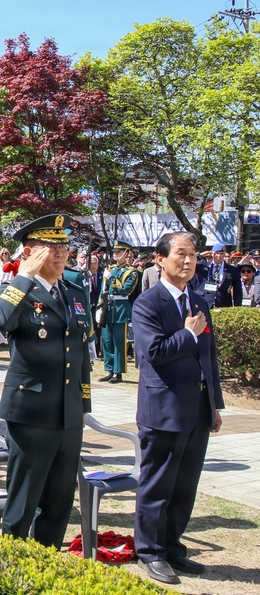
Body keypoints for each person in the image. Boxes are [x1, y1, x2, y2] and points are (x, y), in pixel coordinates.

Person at [0, 214, 91, 549]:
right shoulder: (17, 289)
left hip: (68, 412)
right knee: (24, 500)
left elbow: (80, 353)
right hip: (31, 410)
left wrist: (83, 403)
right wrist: (23, 276)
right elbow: (0, 320)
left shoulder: (76, 292)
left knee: (60, 499)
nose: (59, 253)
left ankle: (46, 559)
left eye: (63, 245)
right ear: (30, 251)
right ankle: (14, 560)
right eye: (49, 247)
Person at [130, 231, 224, 584]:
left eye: (193, 255)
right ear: (160, 259)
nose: (188, 261)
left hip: (197, 408)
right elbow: (152, 354)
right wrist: (186, 333)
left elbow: (208, 358)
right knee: (158, 483)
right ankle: (150, 551)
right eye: (180, 254)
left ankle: (172, 546)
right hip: (164, 408)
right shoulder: (148, 303)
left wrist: (214, 404)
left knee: (185, 485)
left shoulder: (199, 302)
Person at [98, 240, 138, 383]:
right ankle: (109, 369)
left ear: (126, 253)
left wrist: (112, 278)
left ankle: (118, 372)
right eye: (115, 252)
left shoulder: (131, 272)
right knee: (107, 341)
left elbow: (125, 290)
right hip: (108, 307)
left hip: (121, 308)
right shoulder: (110, 268)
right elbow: (103, 289)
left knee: (118, 342)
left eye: (119, 252)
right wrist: (99, 306)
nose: (115, 254)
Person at [193, 243, 242, 309]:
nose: (219, 256)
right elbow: (191, 261)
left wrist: (237, 308)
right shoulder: (203, 266)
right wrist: (200, 255)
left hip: (224, 305)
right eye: (216, 253)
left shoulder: (232, 270)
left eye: (221, 253)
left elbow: (237, 291)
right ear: (212, 253)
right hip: (206, 304)